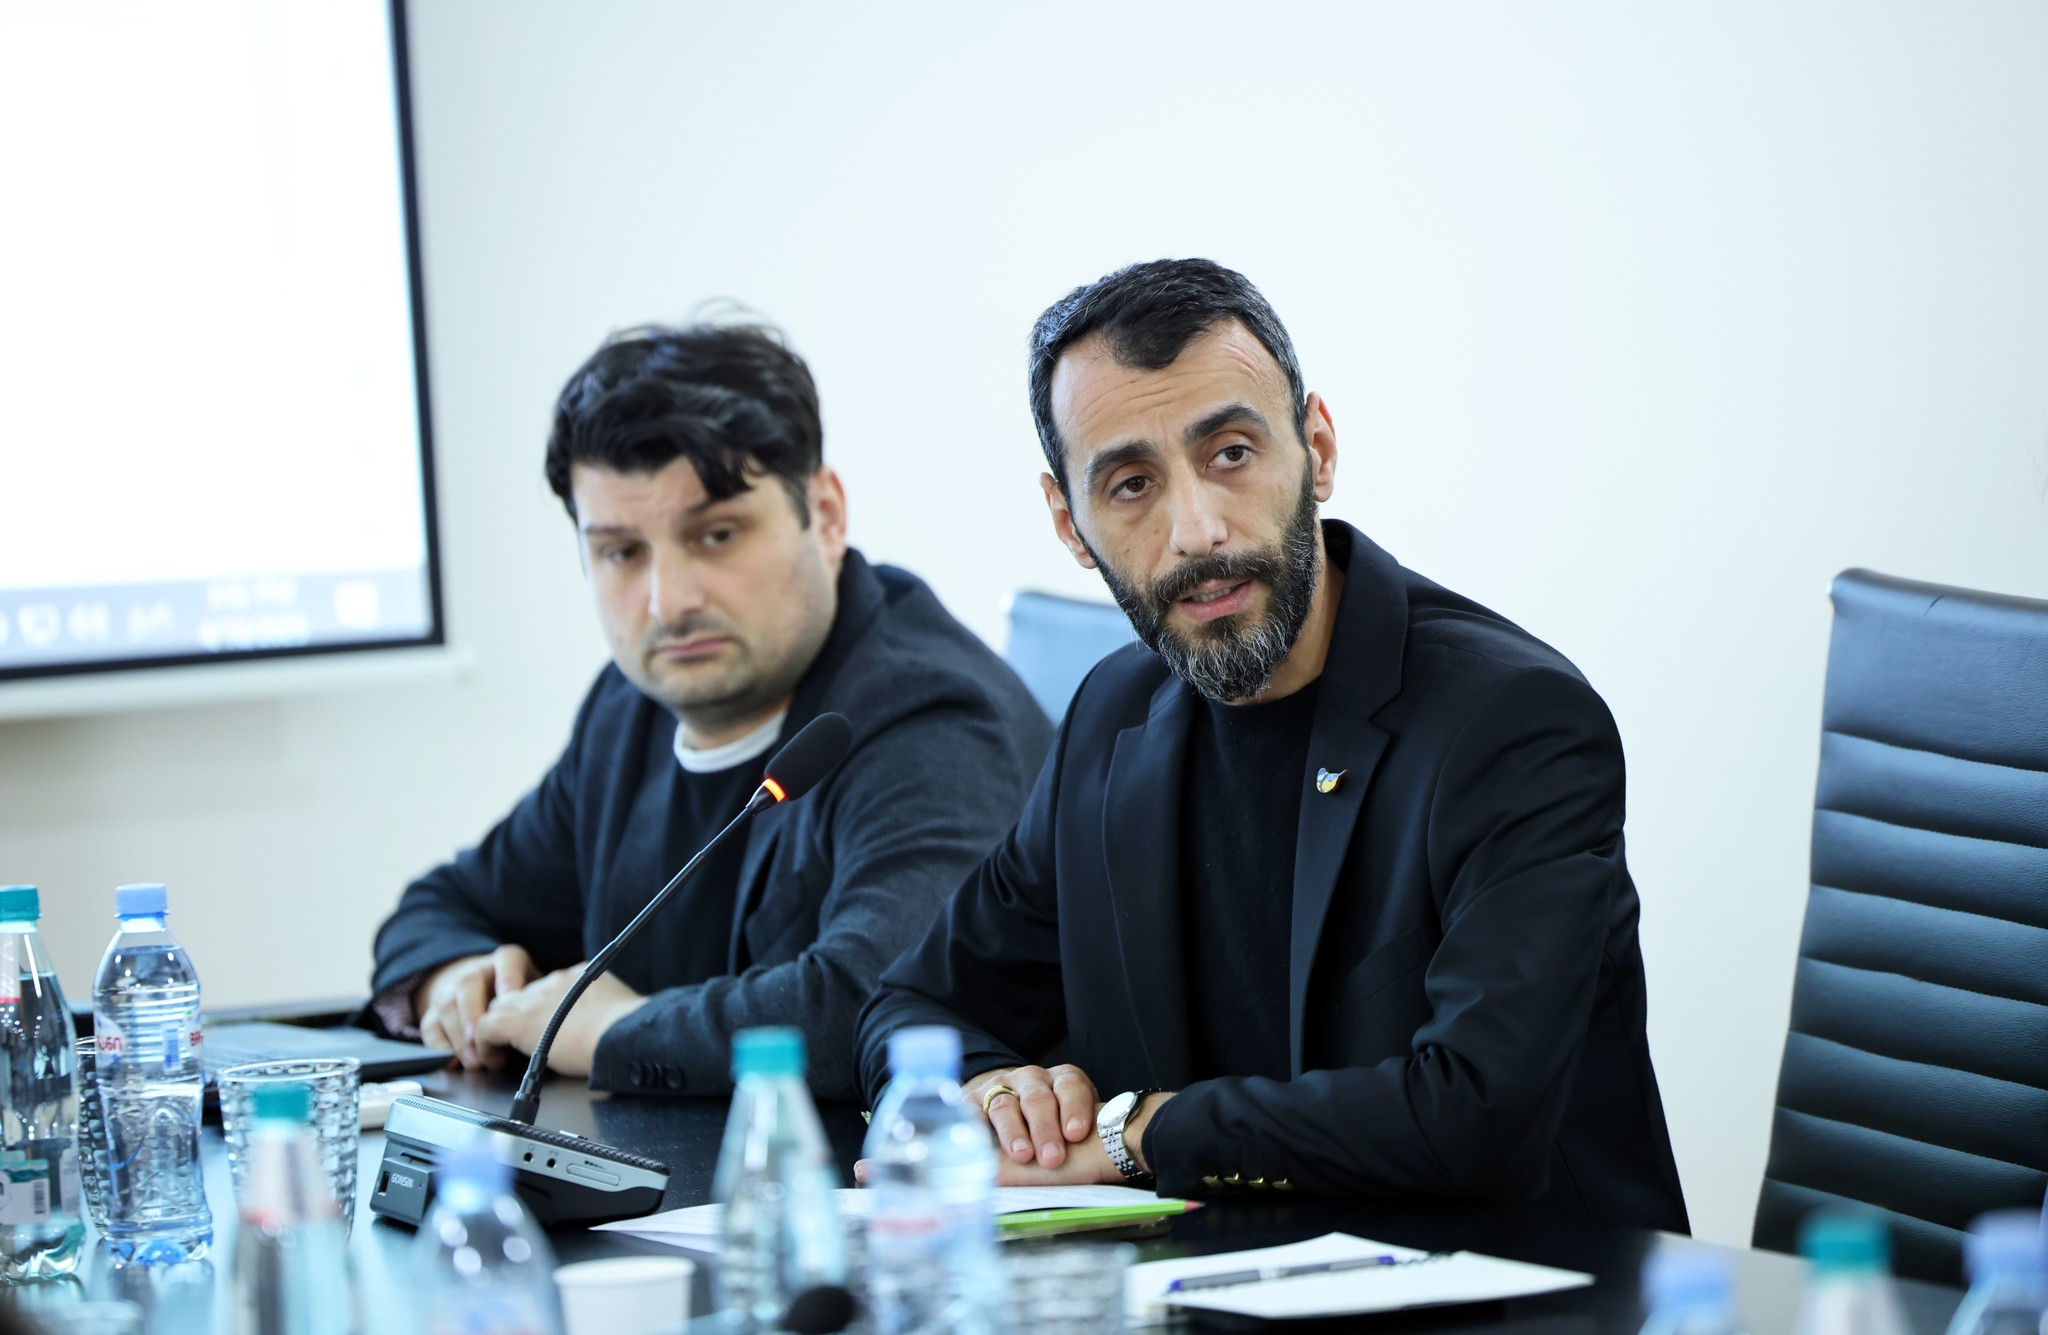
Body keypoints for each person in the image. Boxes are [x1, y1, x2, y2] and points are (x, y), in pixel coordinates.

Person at [854, 259, 1689, 1229]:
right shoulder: (1111, 717)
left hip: (1521, 1285)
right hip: (1212, 1277)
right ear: (1068, 523)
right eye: (1131, 484)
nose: (1197, 530)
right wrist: (993, 1095)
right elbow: (914, 1006)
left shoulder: (1512, 723)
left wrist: (1134, 1134)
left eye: (1231, 453)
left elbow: (1473, 1115)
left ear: (1316, 450)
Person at [371, 321, 1052, 1100]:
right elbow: (443, 905)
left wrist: (616, 1028)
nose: (669, 602)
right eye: (621, 552)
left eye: (716, 534)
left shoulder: (936, 718)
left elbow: (877, 1005)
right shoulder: (629, 709)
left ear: (826, 514)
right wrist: (455, 980)